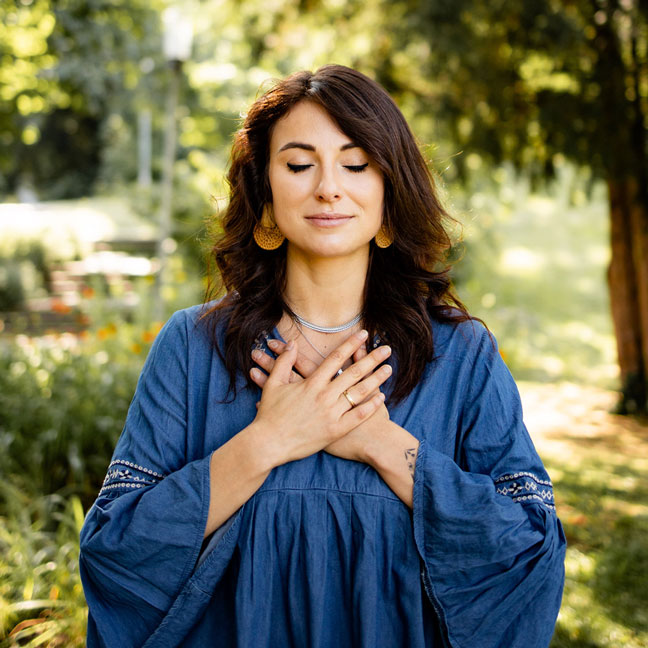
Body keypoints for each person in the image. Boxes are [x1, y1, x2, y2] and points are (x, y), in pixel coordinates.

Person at [79, 64, 566, 648]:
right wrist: (268, 442)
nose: (329, 187)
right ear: (265, 195)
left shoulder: (461, 355)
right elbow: (114, 552)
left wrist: (385, 445)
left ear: (388, 197)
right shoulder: (191, 347)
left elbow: (530, 551)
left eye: (356, 164)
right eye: (300, 164)